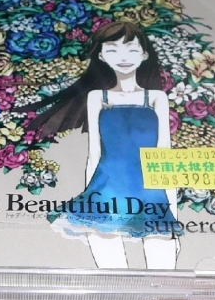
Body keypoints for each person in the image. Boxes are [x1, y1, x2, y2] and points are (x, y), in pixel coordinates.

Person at [23, 21, 181, 269]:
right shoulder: (98, 97)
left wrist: (174, 215)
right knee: (107, 259)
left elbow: (165, 154)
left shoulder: (156, 98)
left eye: (131, 49)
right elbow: (94, 154)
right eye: (112, 50)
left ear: (144, 54)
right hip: (107, 187)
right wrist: (88, 195)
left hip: (150, 189)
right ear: (101, 56)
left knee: (162, 262)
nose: (123, 57)